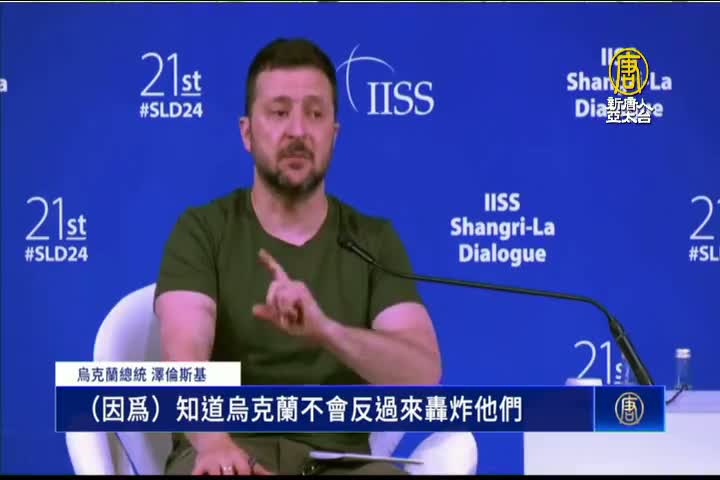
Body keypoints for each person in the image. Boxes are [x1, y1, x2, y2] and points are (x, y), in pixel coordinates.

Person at [154, 37, 442, 476]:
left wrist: (327, 331)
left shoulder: (373, 240)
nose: (298, 131)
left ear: (334, 134)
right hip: (232, 452)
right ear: (247, 133)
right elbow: (184, 348)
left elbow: (422, 373)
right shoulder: (203, 230)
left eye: (315, 113)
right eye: (279, 112)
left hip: (340, 464)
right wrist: (213, 442)